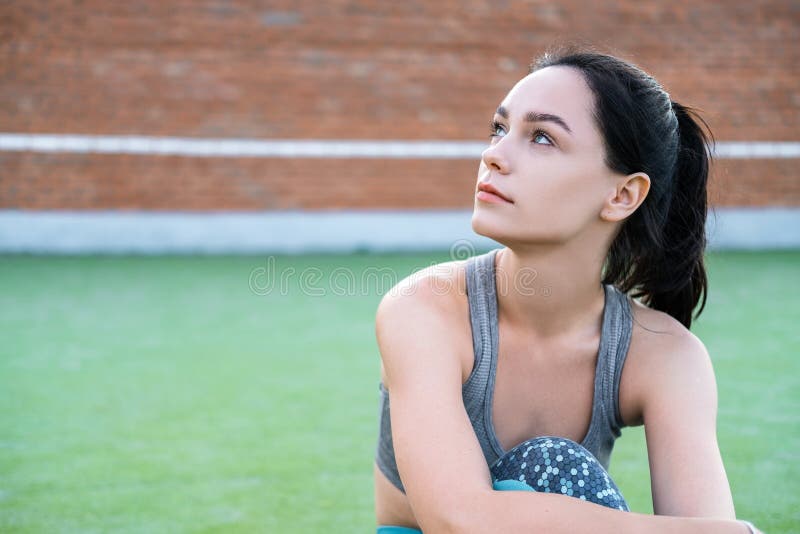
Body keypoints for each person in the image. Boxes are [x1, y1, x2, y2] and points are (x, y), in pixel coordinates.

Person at [372, 46, 762, 533]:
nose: (493, 155)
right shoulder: (423, 309)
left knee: (553, 468)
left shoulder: (665, 355)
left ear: (621, 195)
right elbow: (460, 520)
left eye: (540, 137)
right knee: (551, 463)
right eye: (499, 128)